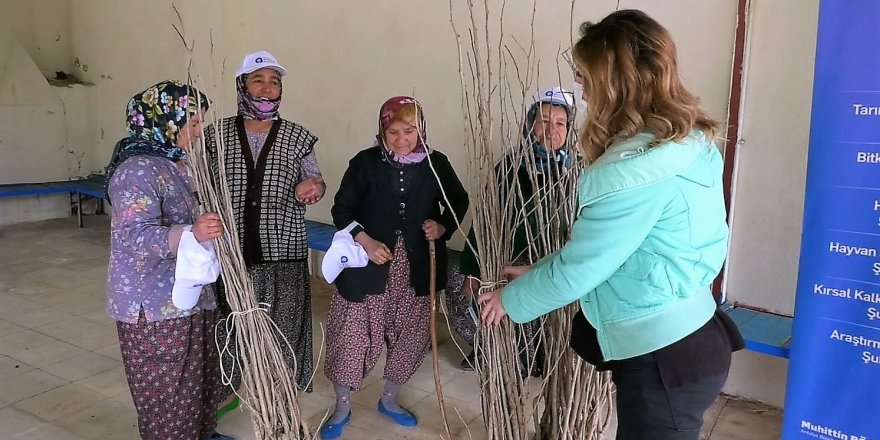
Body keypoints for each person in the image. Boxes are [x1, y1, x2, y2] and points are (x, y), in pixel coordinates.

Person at [478, 10, 744, 440]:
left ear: (612, 84)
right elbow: (620, 249)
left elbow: (583, 269)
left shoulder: (630, 173)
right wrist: (540, 270)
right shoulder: (684, 142)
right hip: (693, 332)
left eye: (584, 79)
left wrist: (510, 300)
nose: (581, 92)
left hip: (664, 359)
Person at [319, 96, 469, 439]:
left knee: (410, 336)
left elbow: (458, 200)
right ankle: (342, 407)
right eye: (394, 132)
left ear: (421, 130)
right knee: (353, 336)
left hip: (415, 270)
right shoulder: (364, 163)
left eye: (410, 131)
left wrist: (443, 226)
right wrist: (367, 242)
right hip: (366, 268)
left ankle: (389, 399)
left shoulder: (436, 163)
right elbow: (341, 210)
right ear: (382, 131)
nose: (402, 140)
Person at [105, 80, 234, 440]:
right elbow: (134, 235)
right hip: (154, 302)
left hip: (188, 292)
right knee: (167, 391)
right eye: (192, 123)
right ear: (164, 120)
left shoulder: (174, 163)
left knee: (197, 377)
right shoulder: (137, 169)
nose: (197, 132)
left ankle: (202, 433)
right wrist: (192, 232)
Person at [205, 50, 325, 405]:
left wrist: (314, 187)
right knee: (229, 326)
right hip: (230, 251)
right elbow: (199, 182)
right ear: (242, 85)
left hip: (282, 249)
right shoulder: (217, 135)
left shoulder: (298, 137)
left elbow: (315, 180)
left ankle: (280, 392)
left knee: (283, 327)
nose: (267, 87)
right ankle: (225, 392)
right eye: (258, 79)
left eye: (274, 81)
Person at [451, 86, 578, 374]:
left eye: (560, 123)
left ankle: (543, 359)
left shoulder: (579, 173)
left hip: (555, 266)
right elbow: (483, 220)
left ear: (570, 131)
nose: (551, 130)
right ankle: (489, 348)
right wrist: (473, 270)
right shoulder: (510, 166)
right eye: (543, 121)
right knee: (471, 291)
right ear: (530, 124)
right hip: (507, 261)